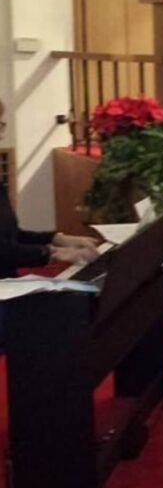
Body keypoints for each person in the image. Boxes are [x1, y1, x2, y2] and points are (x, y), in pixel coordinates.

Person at [0, 99, 100, 344]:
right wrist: (53, 253)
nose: (3, 130)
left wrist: (60, 239)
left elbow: (11, 235)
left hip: (7, 285)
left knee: (79, 303)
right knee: (63, 315)